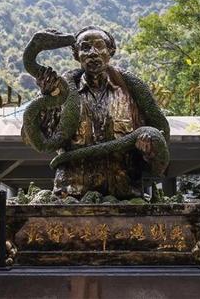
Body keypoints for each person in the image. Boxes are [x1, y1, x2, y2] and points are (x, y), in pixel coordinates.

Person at [35, 26, 169, 199]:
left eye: (99, 46)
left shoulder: (132, 93)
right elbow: (37, 139)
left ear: (110, 51)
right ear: (76, 55)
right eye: (85, 47)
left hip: (124, 196)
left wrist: (149, 149)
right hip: (72, 196)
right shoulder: (61, 92)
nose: (93, 52)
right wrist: (46, 98)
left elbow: (159, 144)